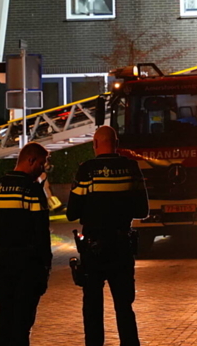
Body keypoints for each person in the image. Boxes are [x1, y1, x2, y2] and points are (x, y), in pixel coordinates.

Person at [67, 125, 149, 346]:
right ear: (117, 144)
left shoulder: (86, 170)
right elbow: (143, 211)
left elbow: (71, 212)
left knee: (92, 306)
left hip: (93, 249)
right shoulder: (131, 167)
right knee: (124, 306)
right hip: (122, 246)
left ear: (95, 144)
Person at [0, 141, 52, 346]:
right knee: (22, 322)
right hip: (28, 263)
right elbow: (41, 231)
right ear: (30, 160)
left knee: (4, 316)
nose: (42, 170)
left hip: (4, 260)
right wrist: (45, 265)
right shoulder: (32, 190)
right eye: (41, 164)